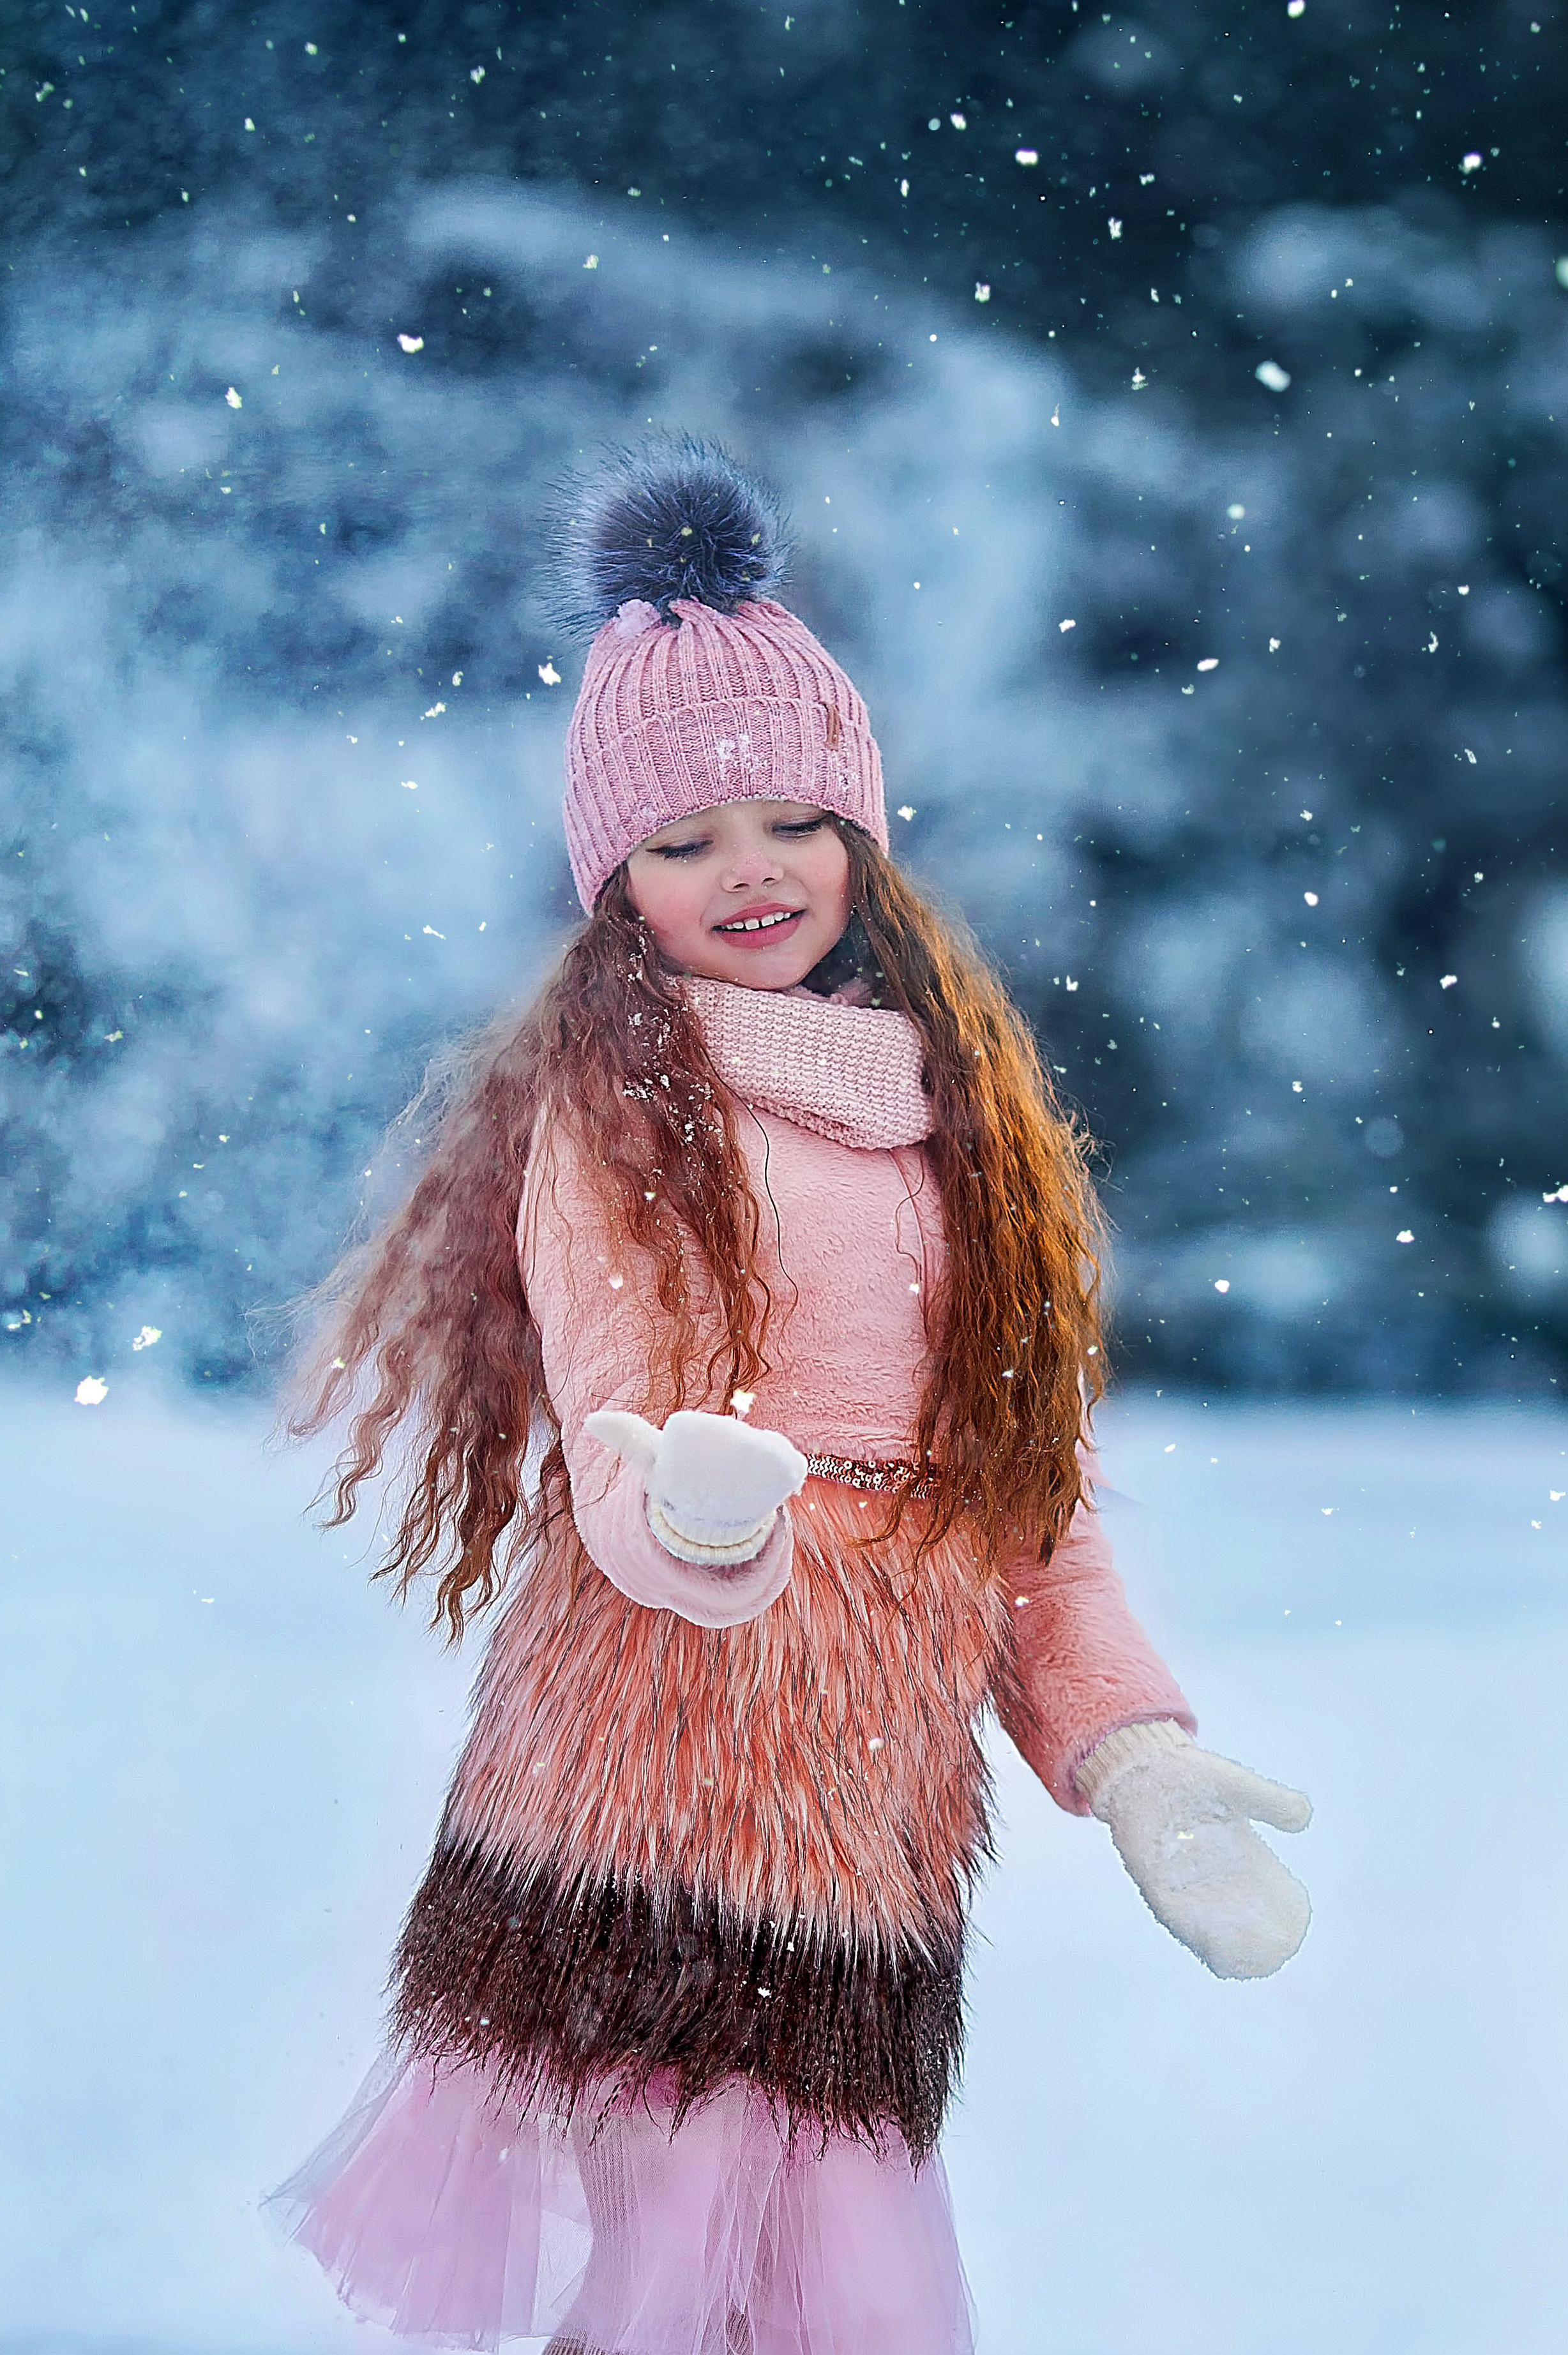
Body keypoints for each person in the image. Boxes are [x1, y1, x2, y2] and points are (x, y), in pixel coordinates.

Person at [268, 442, 1312, 2355]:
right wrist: (705, 1511)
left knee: (827, 2259)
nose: (748, 870)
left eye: (788, 819)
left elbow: (1030, 1505)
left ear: (862, 829)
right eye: (683, 841)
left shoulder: (955, 1117)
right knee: (677, 2240)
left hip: (877, 1792)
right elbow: (614, 1444)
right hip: (657, 1762)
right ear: (617, 884)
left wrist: (1134, 1756)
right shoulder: (621, 1109)